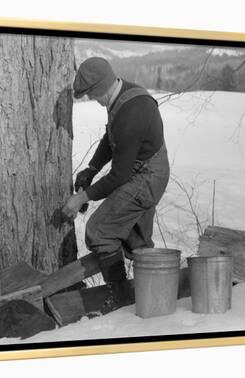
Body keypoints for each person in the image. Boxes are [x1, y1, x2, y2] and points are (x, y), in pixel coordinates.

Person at [62, 57, 170, 311]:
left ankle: (120, 301)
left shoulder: (132, 114)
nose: (92, 100)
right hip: (143, 170)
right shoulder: (123, 95)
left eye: (91, 95)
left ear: (101, 88)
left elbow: (119, 176)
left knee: (99, 231)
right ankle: (153, 300)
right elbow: (111, 138)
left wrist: (83, 197)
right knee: (137, 243)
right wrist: (91, 169)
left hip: (147, 177)